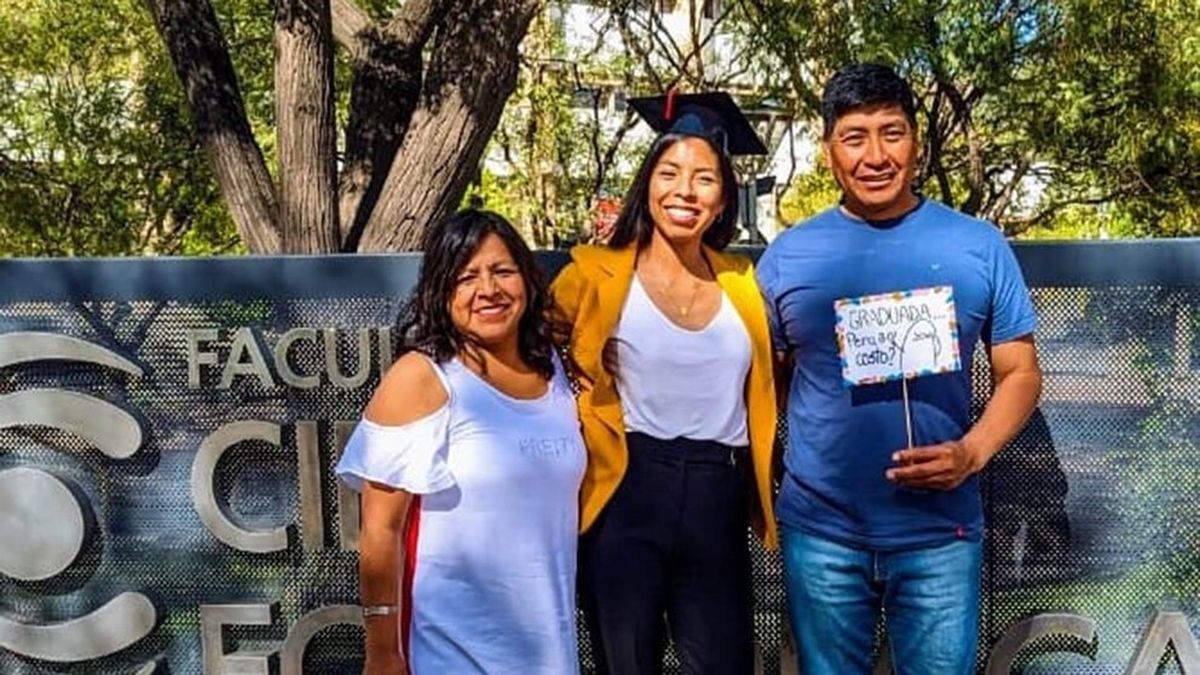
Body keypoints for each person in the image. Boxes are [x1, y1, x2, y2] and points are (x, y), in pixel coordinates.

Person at [756, 63, 1043, 674]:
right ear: (829, 148)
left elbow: (1020, 372)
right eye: (855, 136)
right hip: (821, 532)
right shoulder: (786, 257)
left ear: (916, 141)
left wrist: (972, 452)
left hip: (941, 535)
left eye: (892, 132)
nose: (875, 155)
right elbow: (768, 382)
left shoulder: (978, 245)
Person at [552, 90, 778, 674]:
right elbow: (530, 352)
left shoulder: (745, 284)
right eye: (670, 173)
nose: (684, 191)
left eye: (704, 178)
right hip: (626, 487)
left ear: (724, 195)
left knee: (724, 663)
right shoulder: (591, 275)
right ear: (647, 184)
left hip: (717, 492)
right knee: (626, 663)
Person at [335, 210, 586, 675]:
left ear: (528, 281)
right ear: (441, 292)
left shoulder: (558, 371)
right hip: (449, 654)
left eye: (502, 271)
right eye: (466, 277)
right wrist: (383, 653)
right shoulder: (422, 378)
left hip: (548, 654)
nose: (488, 289)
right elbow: (380, 530)